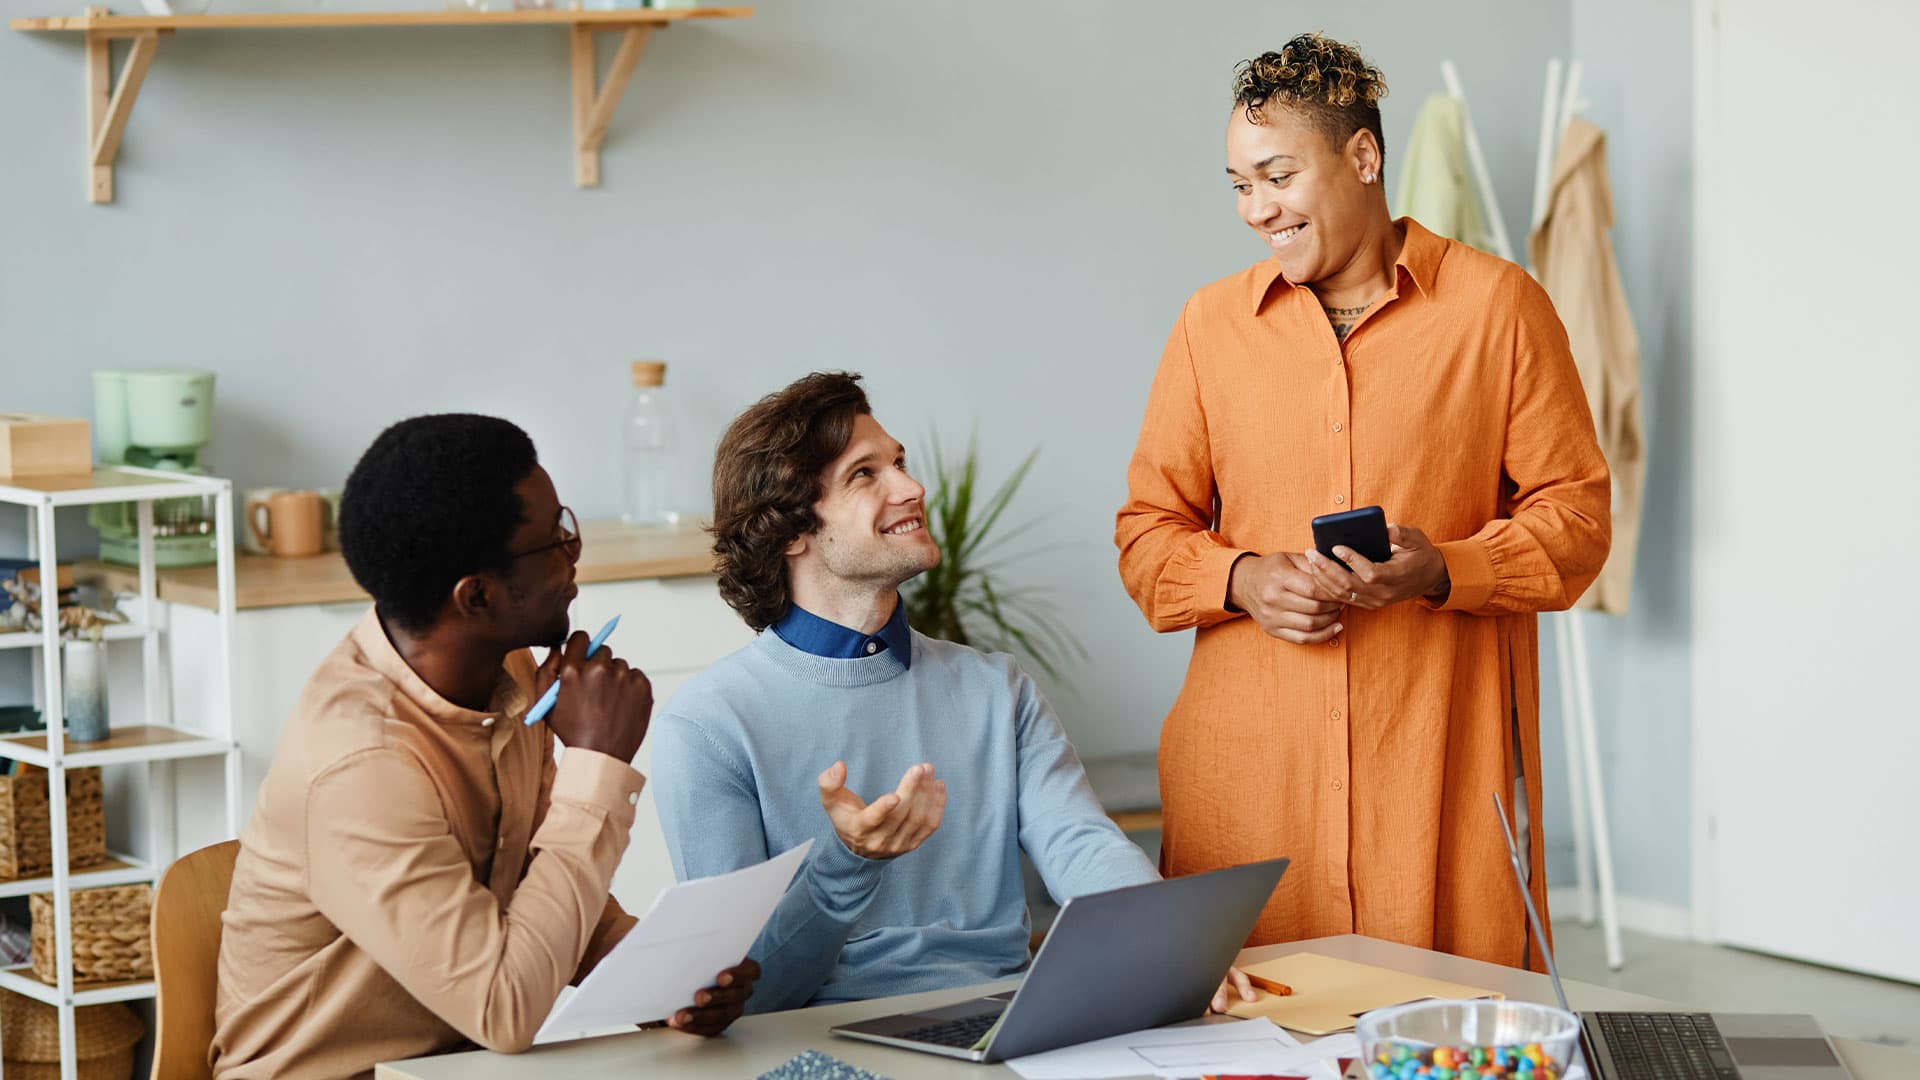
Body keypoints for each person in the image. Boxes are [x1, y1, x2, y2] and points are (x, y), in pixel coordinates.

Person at [1114, 34, 1611, 970]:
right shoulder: (1208, 327)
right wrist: (1243, 577)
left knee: (1450, 1043)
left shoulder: (1501, 309)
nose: (1257, 208)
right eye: (1238, 184)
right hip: (1251, 782)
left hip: (1435, 781)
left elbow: (1578, 522)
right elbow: (1146, 534)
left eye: (1277, 175)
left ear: (1364, 158)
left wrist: (1447, 568)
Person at [651, 373, 1252, 1013]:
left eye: (900, 463)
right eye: (864, 474)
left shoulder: (997, 689)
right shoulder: (708, 727)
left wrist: (1174, 940)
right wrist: (847, 865)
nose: (911, 489)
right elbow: (739, 990)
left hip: (1003, 1027)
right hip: (813, 1043)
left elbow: (1081, 844)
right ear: (791, 530)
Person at [212, 414, 758, 1079]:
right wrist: (596, 764)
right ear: (476, 596)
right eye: (552, 539)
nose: (573, 553)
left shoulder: (517, 679)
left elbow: (534, 881)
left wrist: (664, 973)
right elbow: (505, 1009)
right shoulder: (363, 764)